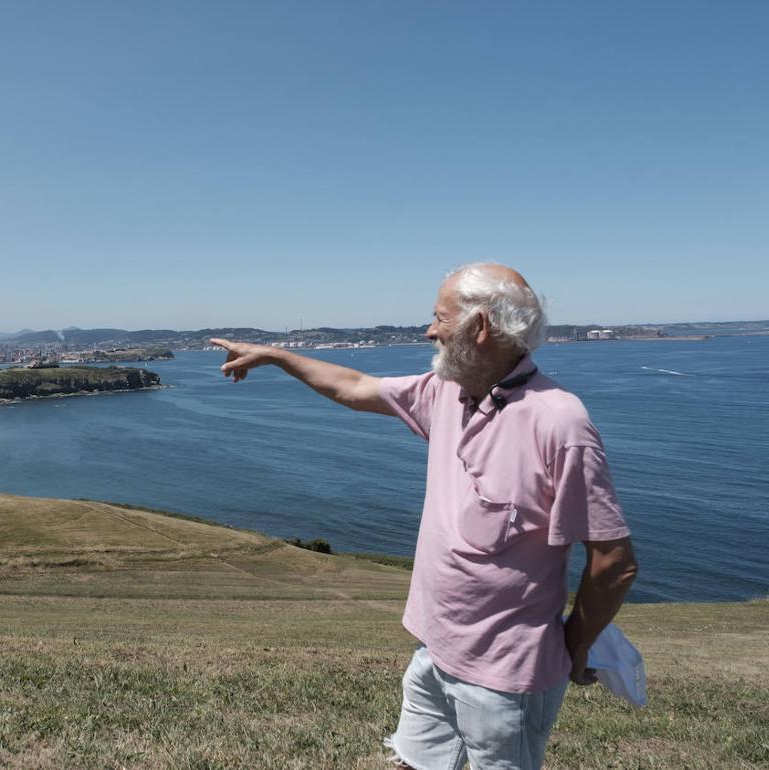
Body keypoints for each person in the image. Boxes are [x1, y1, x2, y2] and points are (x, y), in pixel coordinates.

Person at [212, 263, 638, 770]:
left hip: (505, 677)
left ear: (480, 327)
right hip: (433, 652)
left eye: (440, 317)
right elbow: (353, 386)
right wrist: (278, 357)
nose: (429, 330)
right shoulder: (448, 393)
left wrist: (575, 644)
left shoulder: (558, 422)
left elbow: (614, 560)